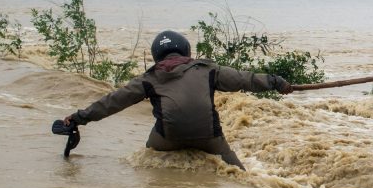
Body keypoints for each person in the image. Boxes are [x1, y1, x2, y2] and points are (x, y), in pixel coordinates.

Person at [63, 30, 292, 170]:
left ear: (156, 56)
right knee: (238, 175)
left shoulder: (149, 78)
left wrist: (78, 118)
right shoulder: (208, 70)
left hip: (167, 139)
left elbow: (112, 102)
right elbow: (245, 79)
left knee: (147, 160)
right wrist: (275, 82)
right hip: (209, 138)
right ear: (186, 51)